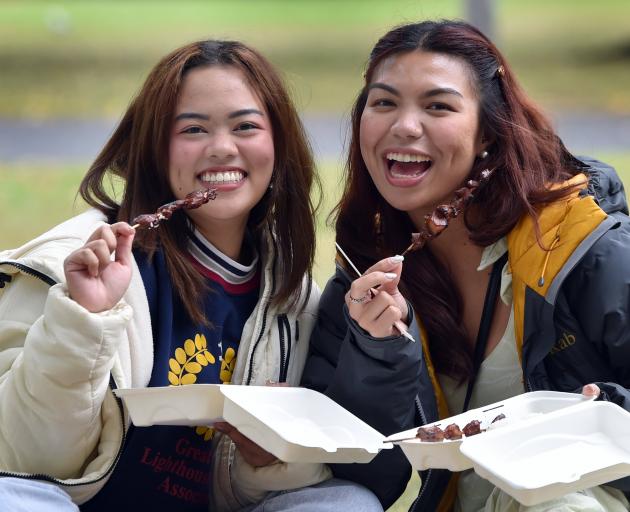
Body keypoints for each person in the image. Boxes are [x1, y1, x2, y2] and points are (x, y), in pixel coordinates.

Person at [0, 40, 382, 512]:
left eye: (245, 126)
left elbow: (236, 491)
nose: (222, 148)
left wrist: (268, 457)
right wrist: (82, 318)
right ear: (155, 148)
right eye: (194, 129)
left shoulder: (292, 297)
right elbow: (25, 459)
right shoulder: (70, 264)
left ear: (278, 146)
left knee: (349, 501)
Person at [302, 20, 630, 512]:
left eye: (438, 106)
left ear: (487, 134)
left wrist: (606, 412)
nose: (405, 126)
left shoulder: (587, 252)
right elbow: (365, 474)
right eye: (384, 102)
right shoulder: (365, 279)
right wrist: (380, 353)